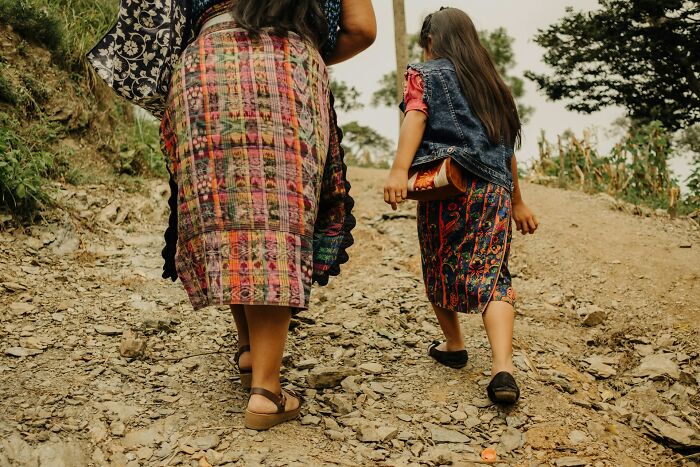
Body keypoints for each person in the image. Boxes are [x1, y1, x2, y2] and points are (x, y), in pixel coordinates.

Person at [161, 0, 376, 429]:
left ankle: (248, 351)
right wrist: (305, 45)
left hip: (205, 64)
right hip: (286, 61)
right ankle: (267, 392)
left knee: (232, 212)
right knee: (277, 219)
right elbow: (361, 29)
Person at [383, 7, 538, 404]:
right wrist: (517, 201)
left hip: (448, 186)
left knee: (438, 262)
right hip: (494, 192)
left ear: (431, 40)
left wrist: (400, 170)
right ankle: (503, 368)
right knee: (493, 274)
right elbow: (506, 145)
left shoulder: (423, 73)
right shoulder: (493, 84)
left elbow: (416, 117)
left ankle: (455, 344)